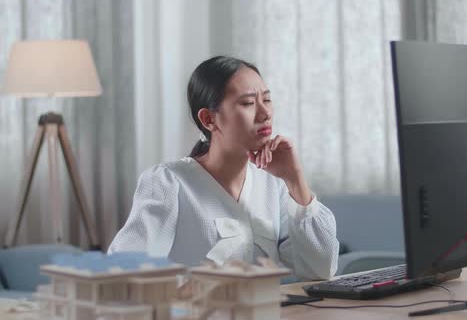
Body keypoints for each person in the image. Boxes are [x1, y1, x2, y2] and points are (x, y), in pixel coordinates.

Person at [109, 56, 339, 280]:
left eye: (267, 100)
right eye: (248, 103)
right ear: (209, 119)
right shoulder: (169, 183)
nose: (265, 113)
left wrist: (295, 180)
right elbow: (123, 274)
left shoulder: (273, 185)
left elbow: (321, 269)